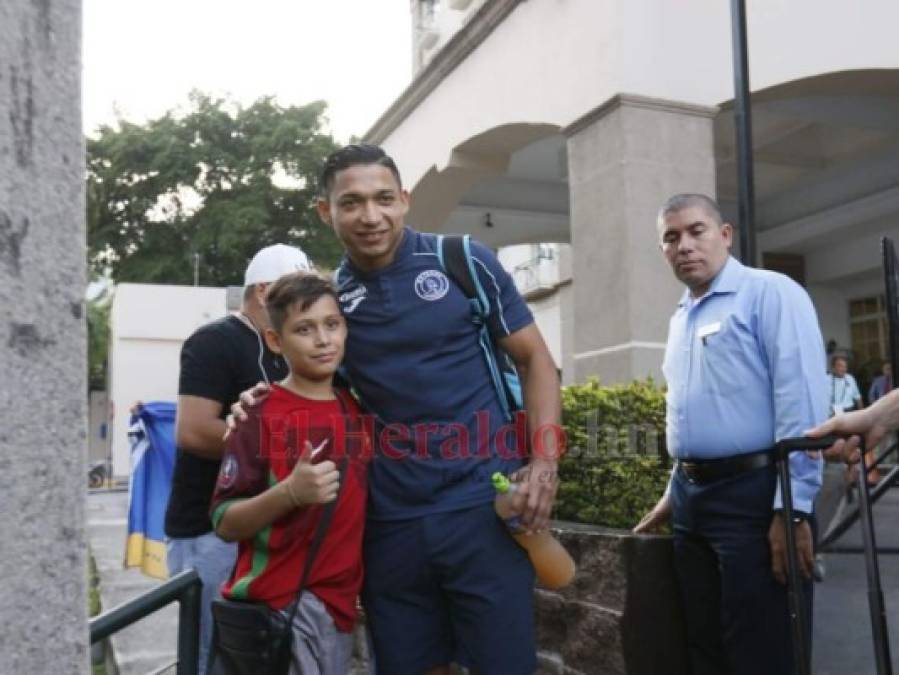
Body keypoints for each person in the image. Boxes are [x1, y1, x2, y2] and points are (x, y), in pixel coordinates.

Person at [231, 144, 561, 675]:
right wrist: (259, 397)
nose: (370, 216)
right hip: (390, 524)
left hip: (485, 510)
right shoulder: (335, 305)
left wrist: (544, 463)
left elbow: (536, 360)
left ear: (404, 200)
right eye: (352, 202)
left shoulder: (463, 261)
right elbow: (316, 386)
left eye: (384, 199)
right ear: (326, 211)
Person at [633, 193, 828, 675]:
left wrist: (794, 507)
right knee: (703, 643)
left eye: (696, 231)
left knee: (762, 647)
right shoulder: (681, 316)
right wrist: (673, 493)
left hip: (756, 494)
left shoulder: (770, 292)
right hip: (693, 499)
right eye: (670, 237)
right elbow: (690, 410)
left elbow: (800, 401)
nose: (684, 245)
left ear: (725, 235)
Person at [210, 273, 369, 675]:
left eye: (332, 325)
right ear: (275, 341)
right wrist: (290, 494)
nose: (323, 340)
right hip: (282, 606)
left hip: (341, 609)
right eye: (304, 329)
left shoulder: (355, 406)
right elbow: (224, 521)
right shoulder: (258, 413)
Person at [164, 243, 311, 673]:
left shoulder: (286, 348)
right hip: (208, 532)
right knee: (214, 657)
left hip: (261, 533)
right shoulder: (215, 341)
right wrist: (275, 452)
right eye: (294, 293)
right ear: (264, 292)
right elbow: (192, 431)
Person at [808, 387, 899, 461]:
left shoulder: (849, 379)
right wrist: (873, 417)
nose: (842, 368)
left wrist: (873, 417)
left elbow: (858, 397)